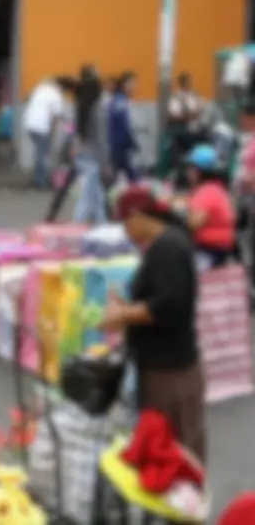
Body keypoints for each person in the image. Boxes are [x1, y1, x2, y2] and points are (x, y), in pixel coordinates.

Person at [104, 183, 206, 465]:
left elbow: (168, 306)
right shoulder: (165, 244)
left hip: (171, 370)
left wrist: (123, 315)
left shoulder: (168, 248)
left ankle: (182, 507)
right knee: (165, 447)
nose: (125, 232)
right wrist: (125, 308)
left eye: (125, 224)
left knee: (176, 448)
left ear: (137, 216)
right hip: (161, 365)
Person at [182, 144, 236, 267]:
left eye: (190, 168)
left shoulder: (206, 192)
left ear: (198, 171)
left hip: (209, 252)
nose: (187, 172)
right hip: (220, 250)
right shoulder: (218, 189)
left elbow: (193, 223)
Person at [71, 65, 110, 225]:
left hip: (82, 154)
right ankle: (77, 227)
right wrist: (106, 164)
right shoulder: (98, 110)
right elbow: (101, 139)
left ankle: (102, 225)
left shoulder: (81, 106)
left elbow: (77, 131)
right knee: (88, 197)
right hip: (93, 156)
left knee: (97, 195)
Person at [23, 76, 69, 189]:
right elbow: (55, 117)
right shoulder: (56, 95)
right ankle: (40, 181)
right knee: (42, 153)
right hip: (41, 126)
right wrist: (51, 135)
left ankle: (39, 178)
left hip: (29, 124)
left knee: (40, 152)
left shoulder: (40, 89)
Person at [108, 72, 139, 183]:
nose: (134, 88)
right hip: (119, 145)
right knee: (131, 174)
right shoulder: (120, 101)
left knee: (119, 174)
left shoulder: (119, 100)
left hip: (118, 144)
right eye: (132, 84)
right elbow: (122, 125)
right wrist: (131, 142)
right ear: (124, 85)